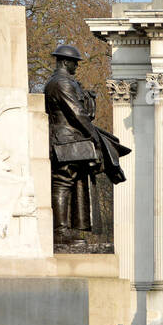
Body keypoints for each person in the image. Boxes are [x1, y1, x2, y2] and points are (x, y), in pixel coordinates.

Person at [44, 45, 128, 246]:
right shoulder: (61, 83)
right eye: (74, 62)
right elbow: (77, 113)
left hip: (71, 139)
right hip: (65, 140)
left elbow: (83, 111)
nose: (76, 66)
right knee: (63, 182)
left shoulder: (65, 82)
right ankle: (60, 230)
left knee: (72, 182)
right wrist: (95, 136)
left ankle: (66, 228)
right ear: (65, 62)